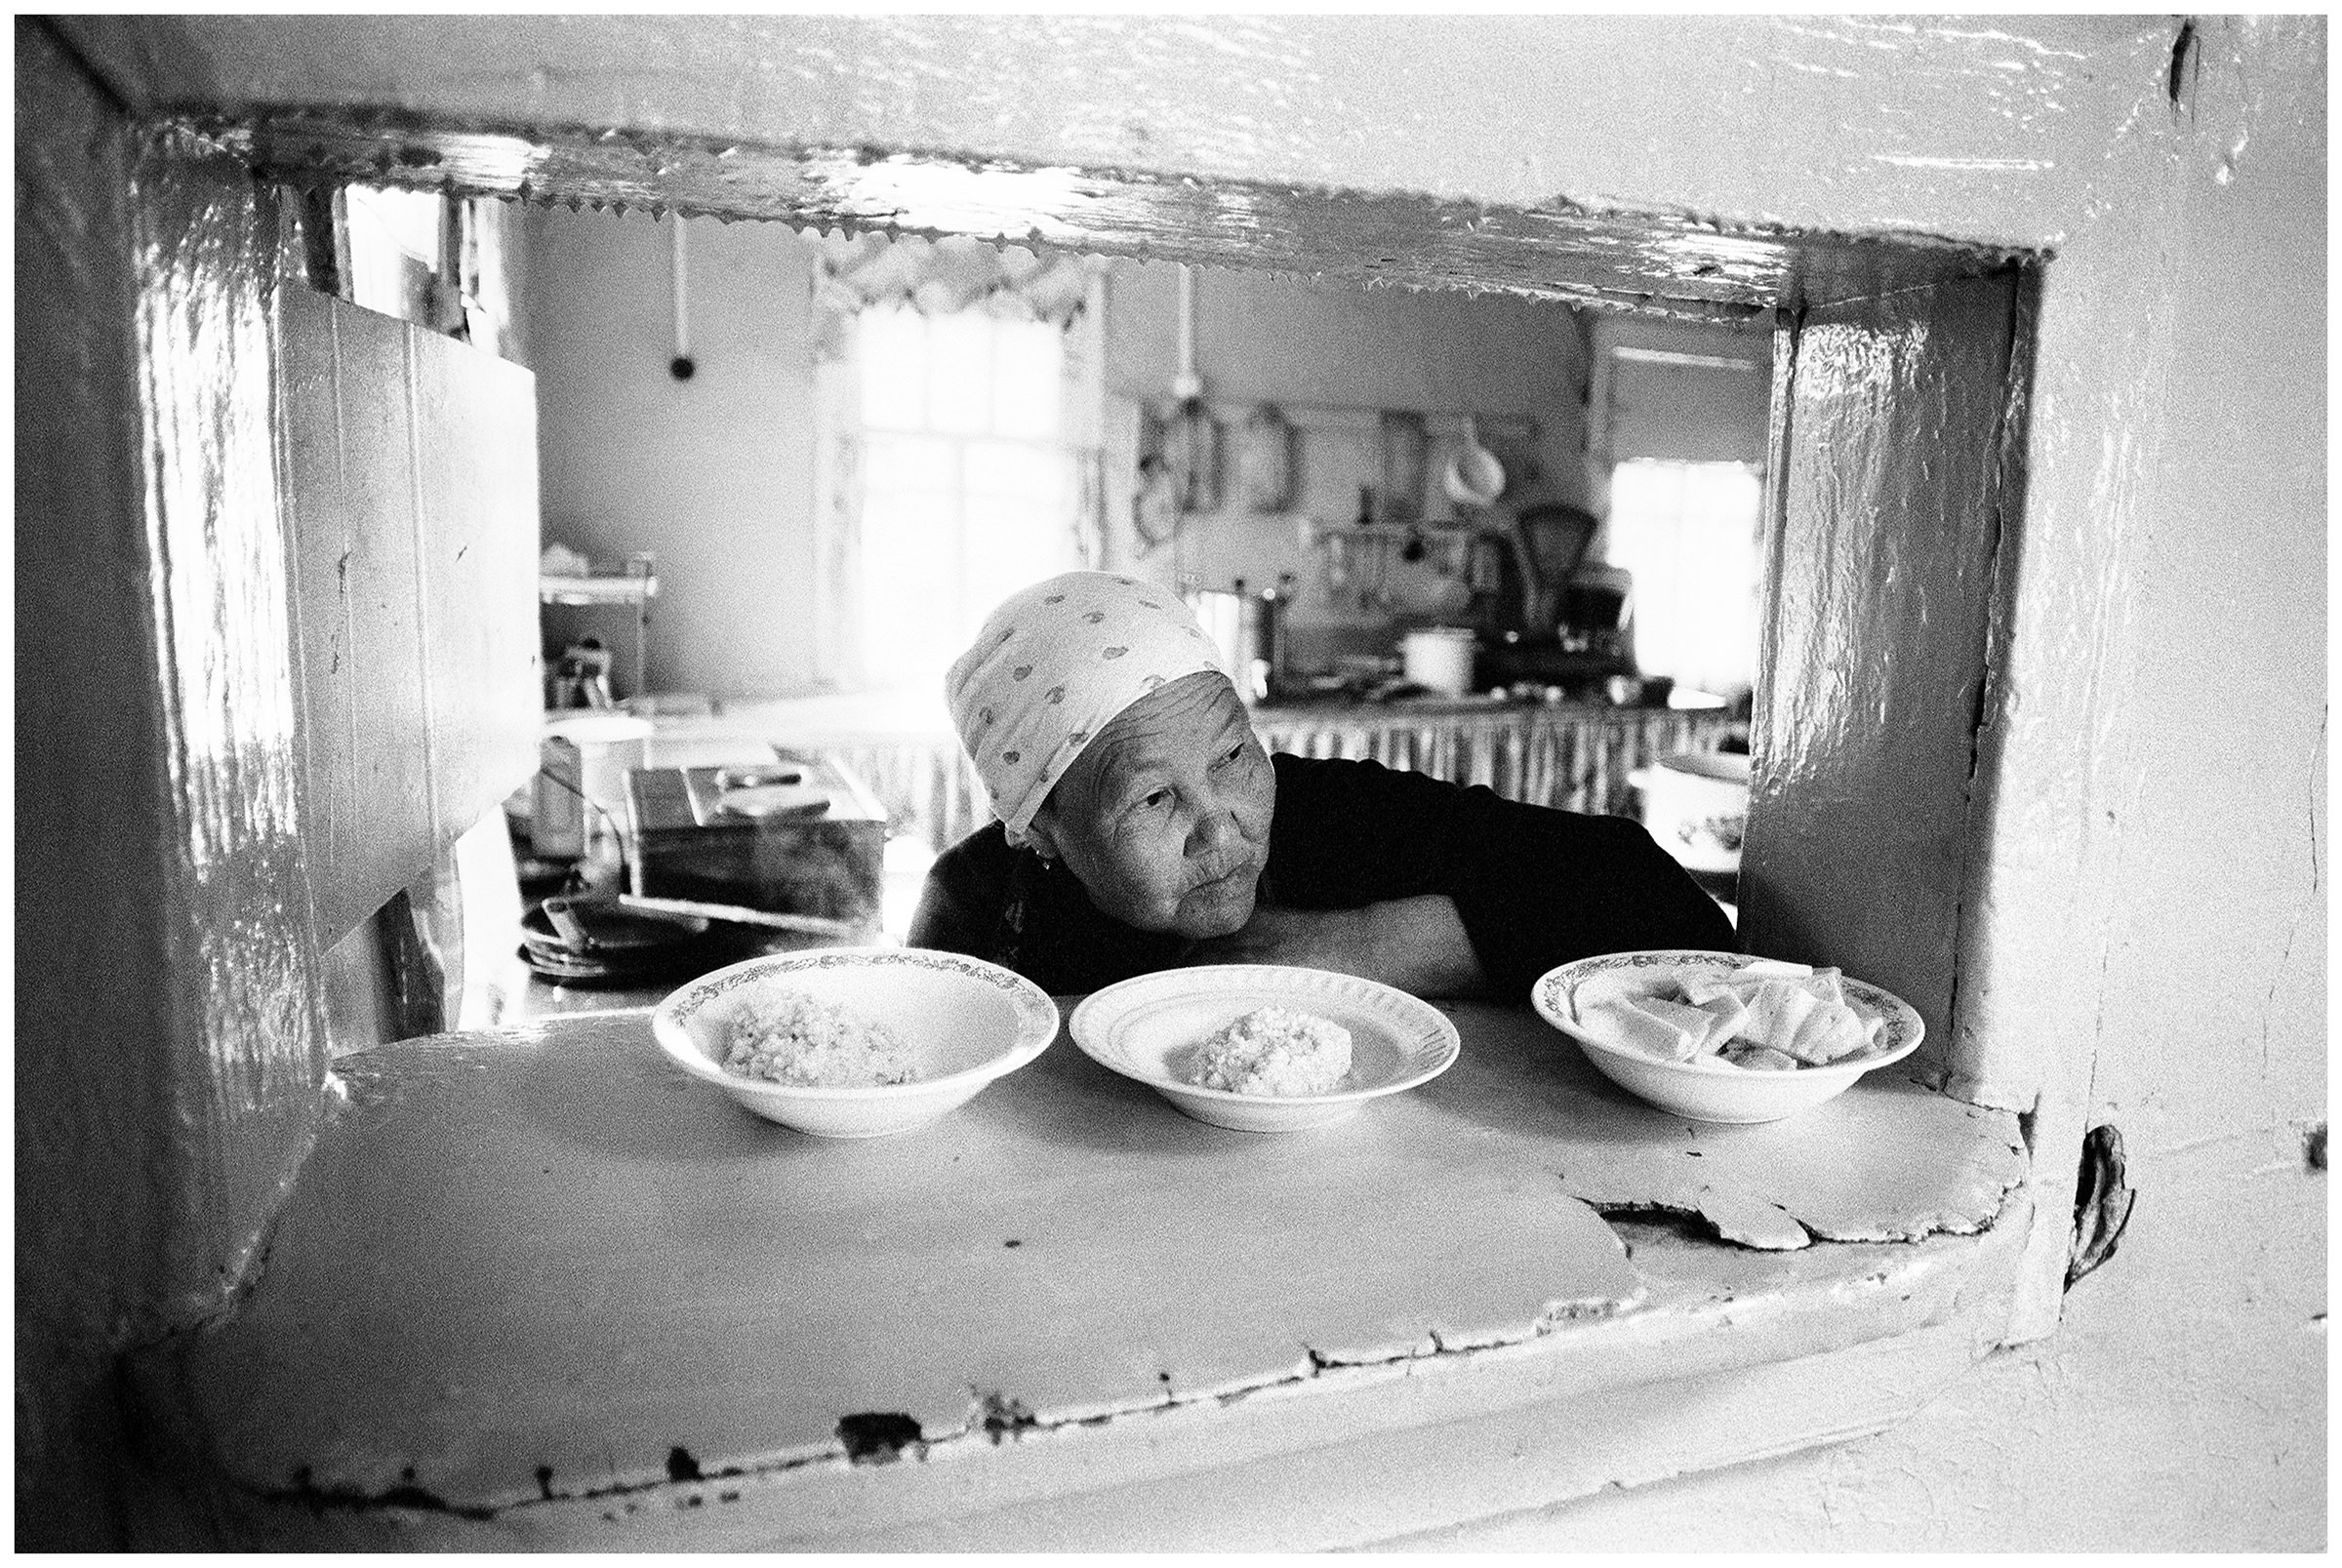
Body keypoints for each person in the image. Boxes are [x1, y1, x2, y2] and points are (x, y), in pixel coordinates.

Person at [909, 571, 1734, 998]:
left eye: (1233, 758)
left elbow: (1667, 910)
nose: (1221, 827)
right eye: (1154, 798)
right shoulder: (975, 906)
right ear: (1040, 830)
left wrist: (1350, 948)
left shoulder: (1334, 817)